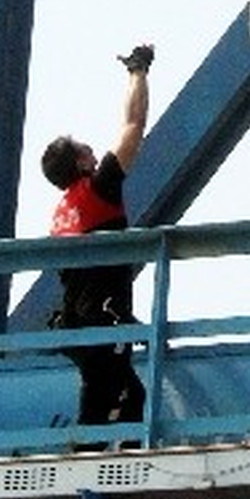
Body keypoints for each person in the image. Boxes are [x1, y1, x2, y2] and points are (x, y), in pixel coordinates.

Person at [40, 43, 154, 434]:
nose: (92, 148)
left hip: (75, 319)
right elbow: (133, 126)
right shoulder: (98, 188)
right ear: (82, 163)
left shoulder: (62, 212)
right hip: (102, 318)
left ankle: (100, 471)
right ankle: (102, 478)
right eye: (85, 148)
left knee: (111, 395)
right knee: (119, 399)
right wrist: (138, 72)